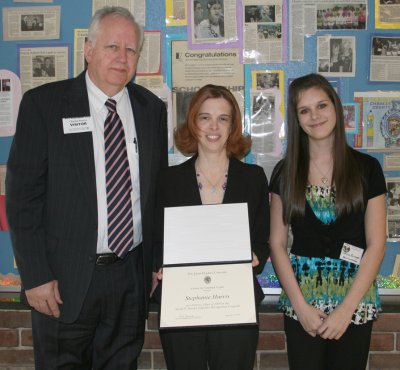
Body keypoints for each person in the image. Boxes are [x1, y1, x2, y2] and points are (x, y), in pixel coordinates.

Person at [6, 6, 167, 369]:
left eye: (130, 50)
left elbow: (156, 197)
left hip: (129, 278)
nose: (122, 58)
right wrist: (35, 275)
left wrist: (156, 262)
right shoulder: (44, 106)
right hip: (64, 282)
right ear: (88, 50)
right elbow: (23, 199)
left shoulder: (150, 109)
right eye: (112, 47)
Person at [269, 73, 386, 370]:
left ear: (335, 107)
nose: (314, 116)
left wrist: (346, 309)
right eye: (304, 110)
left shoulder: (367, 169)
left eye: (321, 105)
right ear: (296, 119)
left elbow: (376, 243)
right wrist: (300, 306)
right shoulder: (284, 173)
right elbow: (277, 243)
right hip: (302, 302)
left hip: (355, 301)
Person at [152, 84, 270, 370]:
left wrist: (255, 255)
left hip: (235, 304)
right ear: (193, 123)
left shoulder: (253, 178)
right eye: (205, 117)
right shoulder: (169, 179)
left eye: (223, 118)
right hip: (183, 304)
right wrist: (160, 266)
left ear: (233, 126)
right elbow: (158, 239)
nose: (213, 127)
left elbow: (262, 239)